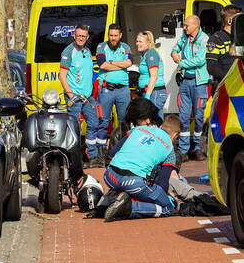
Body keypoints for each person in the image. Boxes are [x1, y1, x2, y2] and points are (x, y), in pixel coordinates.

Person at [100, 113, 182, 222]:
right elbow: (163, 182)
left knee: (137, 187)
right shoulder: (170, 149)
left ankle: (121, 198)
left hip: (109, 176)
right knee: (167, 207)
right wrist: (164, 195)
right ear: (175, 134)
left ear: (162, 126)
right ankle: (128, 208)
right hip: (133, 183)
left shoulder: (140, 129)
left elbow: (114, 151)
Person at [59, 24, 102, 161]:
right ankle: (74, 157)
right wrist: (71, 95)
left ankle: (92, 154)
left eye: (83, 36)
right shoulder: (68, 51)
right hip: (74, 98)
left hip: (88, 97)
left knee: (94, 123)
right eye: (78, 36)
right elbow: (62, 76)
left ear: (87, 37)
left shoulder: (87, 51)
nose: (81, 38)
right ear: (74, 36)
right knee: (74, 128)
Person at [91, 24, 132, 166]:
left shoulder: (125, 47)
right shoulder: (101, 47)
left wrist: (112, 63)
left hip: (123, 90)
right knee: (102, 122)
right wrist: (120, 65)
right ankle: (101, 155)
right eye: (111, 35)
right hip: (106, 90)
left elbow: (129, 62)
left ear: (120, 35)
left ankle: (123, 153)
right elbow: (102, 65)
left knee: (124, 123)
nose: (113, 38)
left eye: (115, 35)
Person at [171, 15, 209, 161]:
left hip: (199, 83)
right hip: (185, 82)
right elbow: (176, 48)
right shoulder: (185, 38)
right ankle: (184, 150)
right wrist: (174, 53)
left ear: (195, 26)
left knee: (199, 116)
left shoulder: (204, 39)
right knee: (184, 117)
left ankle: (198, 148)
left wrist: (182, 63)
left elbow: (200, 60)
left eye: (187, 25)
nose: (184, 27)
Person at [206, 4, 242, 84]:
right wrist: (231, 76)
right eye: (239, 18)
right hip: (224, 84)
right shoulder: (216, 39)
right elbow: (211, 67)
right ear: (230, 21)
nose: (242, 21)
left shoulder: (241, 37)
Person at [135, 30, 166, 112]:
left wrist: (148, 95)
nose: (137, 43)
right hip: (151, 92)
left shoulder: (151, 54)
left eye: (140, 41)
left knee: (155, 121)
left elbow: (154, 76)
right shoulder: (145, 54)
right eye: (137, 41)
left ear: (149, 42)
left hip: (155, 92)